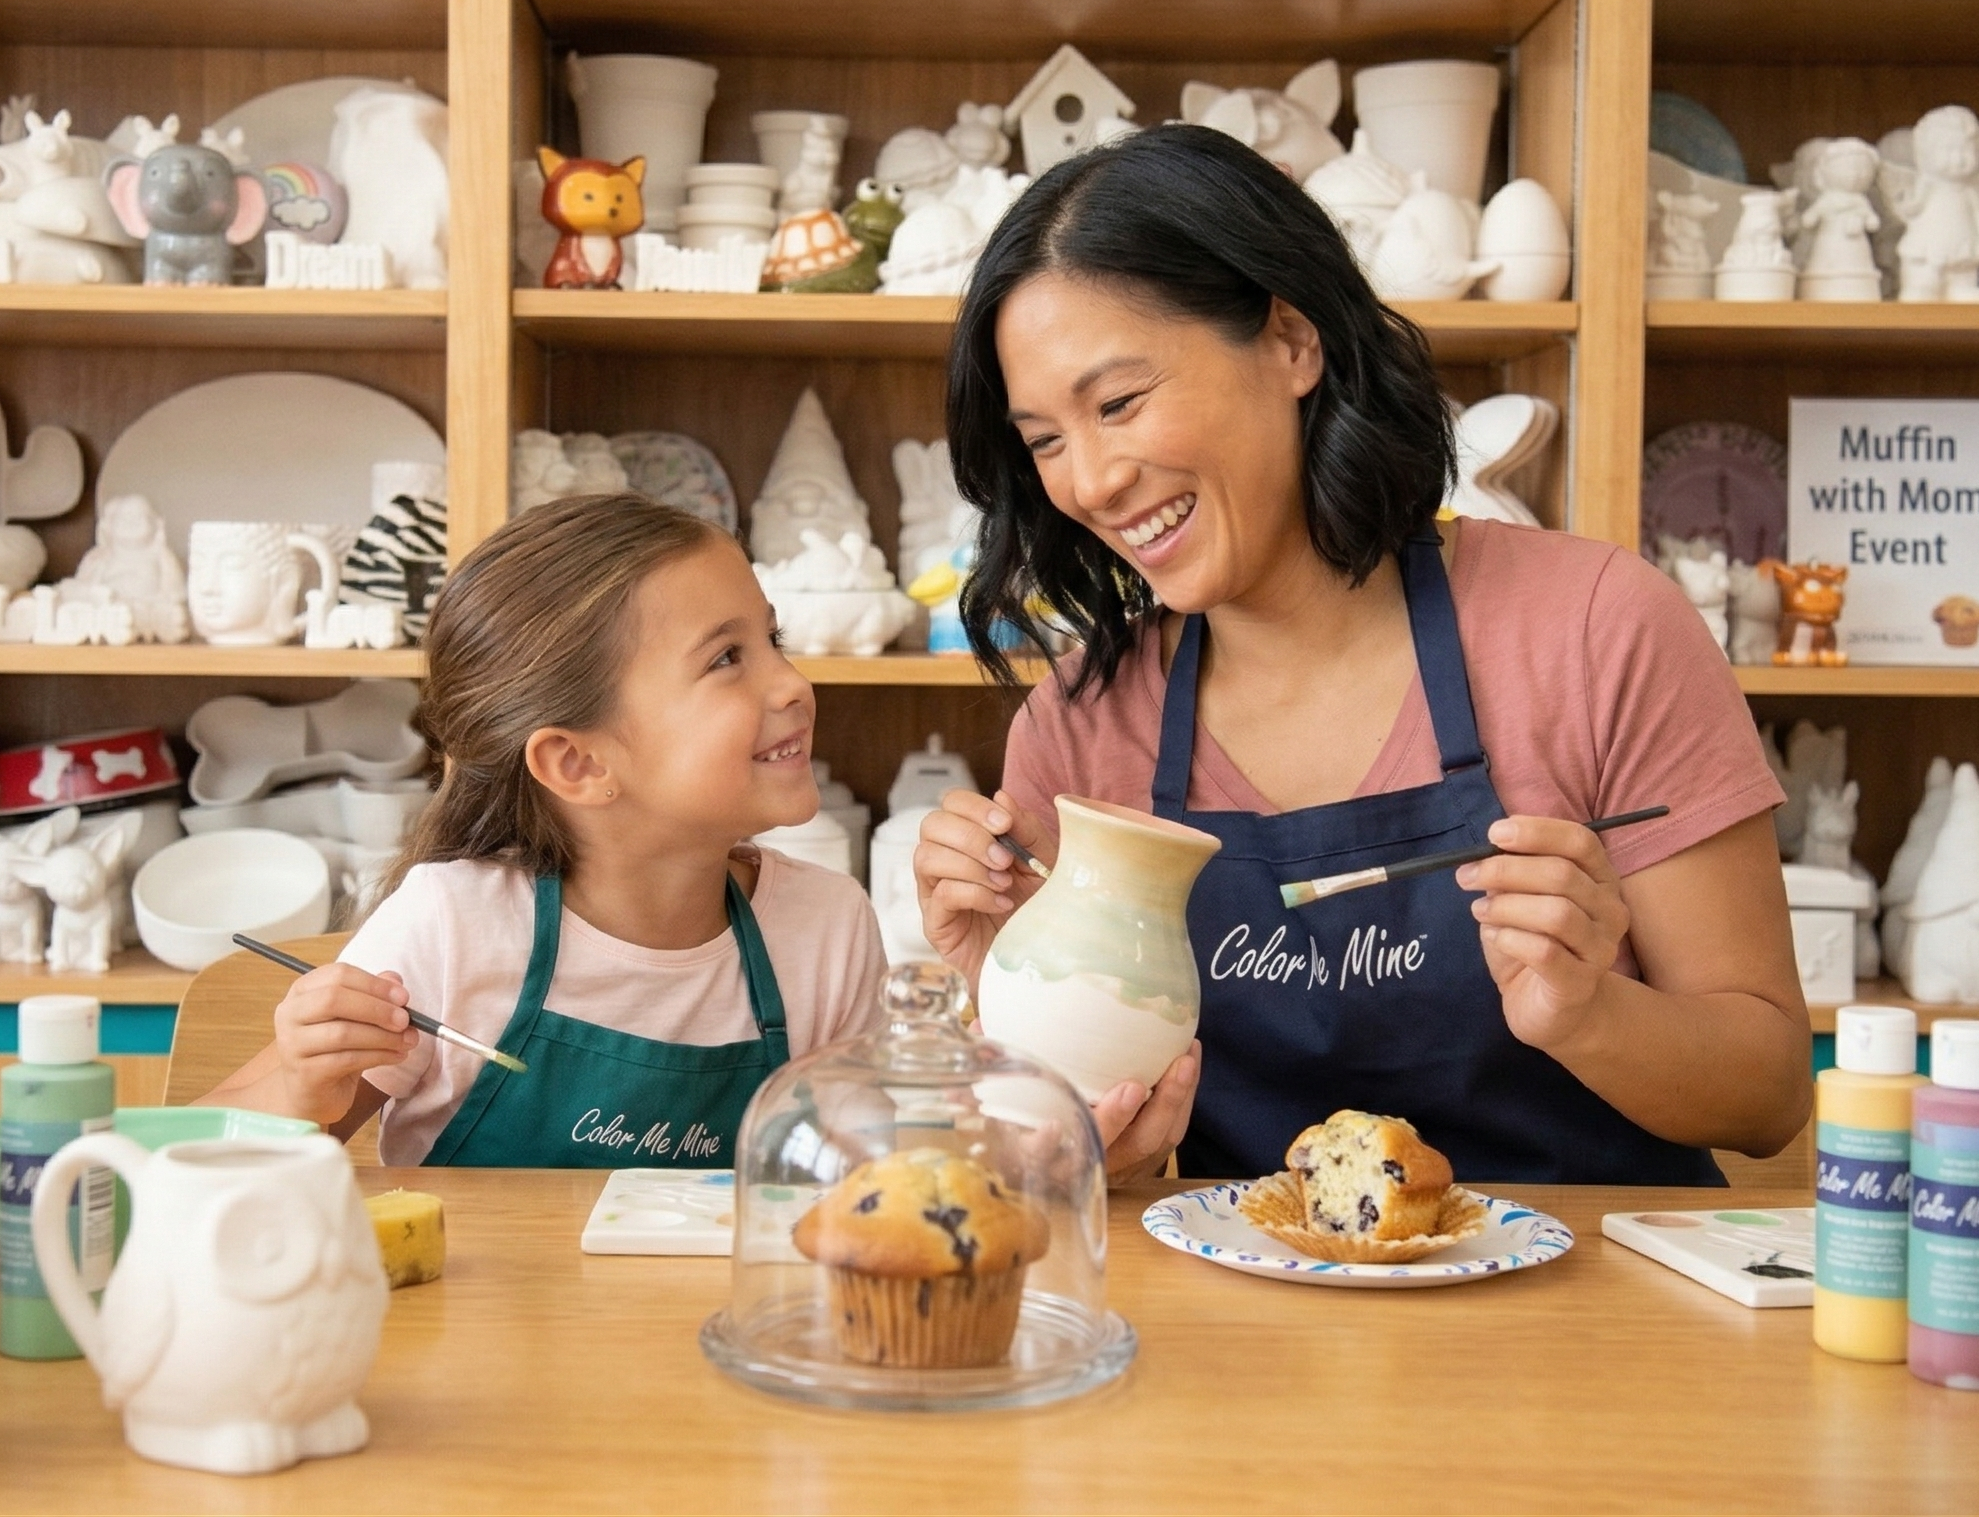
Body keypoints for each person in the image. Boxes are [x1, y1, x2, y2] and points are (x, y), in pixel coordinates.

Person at [916, 124, 1810, 1186]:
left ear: (1292, 341)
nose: (1091, 481)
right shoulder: (1078, 728)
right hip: (1233, 1328)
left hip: (1583, 1331)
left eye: (1117, 404)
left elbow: (1765, 1095)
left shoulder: (1594, 629)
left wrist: (1588, 1012)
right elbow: (1065, 1172)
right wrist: (1008, 1014)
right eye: (1045, 440)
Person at [205, 495, 888, 1167]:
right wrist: (300, 1084)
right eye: (725, 660)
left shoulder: (827, 929)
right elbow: (185, 1158)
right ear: (579, 762)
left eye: (772, 641)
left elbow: (873, 1192)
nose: (792, 683)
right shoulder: (452, 927)